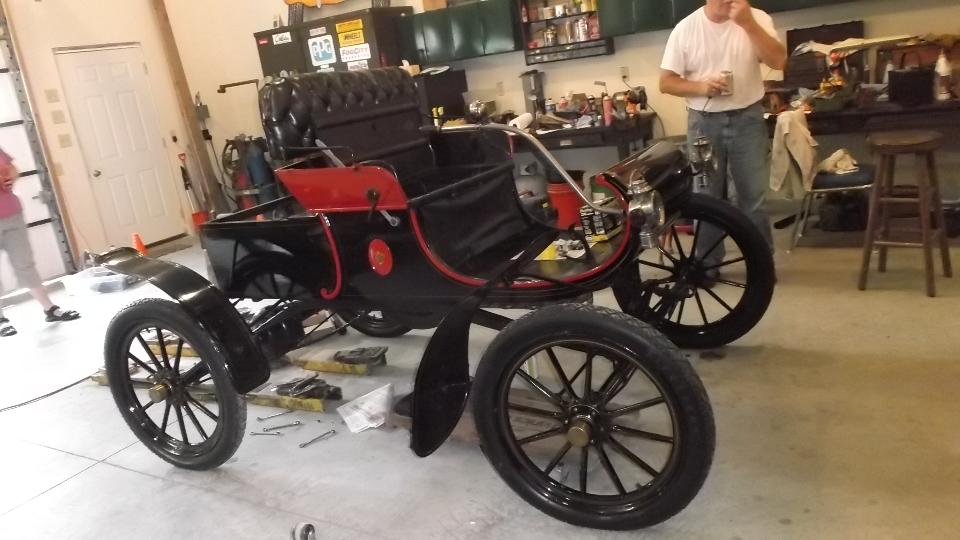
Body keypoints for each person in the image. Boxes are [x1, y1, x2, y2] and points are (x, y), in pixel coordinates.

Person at [660, 0, 786, 270]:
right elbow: (666, 82)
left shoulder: (756, 18)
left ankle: (761, 266)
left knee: (753, 197)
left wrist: (748, 24)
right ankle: (706, 265)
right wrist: (701, 87)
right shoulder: (686, 28)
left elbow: (778, 60)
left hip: (748, 118)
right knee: (706, 198)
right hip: (704, 122)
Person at [0, 148, 80, 337]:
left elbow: (13, 169)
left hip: (12, 215)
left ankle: (49, 309)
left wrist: (10, 178)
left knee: (25, 263)